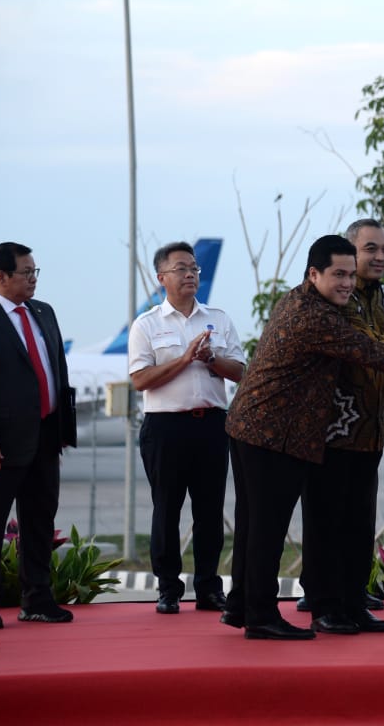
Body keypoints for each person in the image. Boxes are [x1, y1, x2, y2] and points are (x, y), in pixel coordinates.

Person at [223, 235, 384, 641]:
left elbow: (379, 343)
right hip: (270, 431)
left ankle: (242, 607)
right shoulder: (315, 316)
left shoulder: (312, 301)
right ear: (314, 274)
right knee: (266, 528)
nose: (346, 282)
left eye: (348, 274)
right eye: (338, 274)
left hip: (262, 427)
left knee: (256, 525)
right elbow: (370, 350)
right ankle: (260, 616)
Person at [0, 242, 77, 629]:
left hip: (45, 434)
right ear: (1, 277)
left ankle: (37, 599)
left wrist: (62, 429)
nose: (33, 279)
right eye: (27, 272)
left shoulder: (44, 313)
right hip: (0, 442)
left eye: (35, 272)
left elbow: (57, 370)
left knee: (40, 520)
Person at [128, 241, 246, 615]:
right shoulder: (147, 324)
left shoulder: (218, 319)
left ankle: (209, 587)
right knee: (167, 509)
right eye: (181, 268)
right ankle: (168, 588)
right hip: (166, 427)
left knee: (209, 511)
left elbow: (242, 372)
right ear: (161, 277)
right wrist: (184, 359)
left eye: (194, 268)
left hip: (210, 424)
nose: (191, 274)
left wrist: (211, 358)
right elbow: (141, 379)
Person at [300, 219, 384, 634]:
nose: (379, 257)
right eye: (369, 249)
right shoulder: (332, 298)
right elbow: (374, 351)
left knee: (360, 522)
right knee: (327, 521)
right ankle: (324, 604)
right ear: (348, 253)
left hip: (370, 432)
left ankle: (355, 601)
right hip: (330, 432)